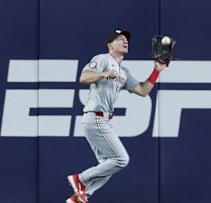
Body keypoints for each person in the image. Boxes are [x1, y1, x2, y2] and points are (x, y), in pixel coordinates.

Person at [65, 28, 169, 203]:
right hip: (95, 117)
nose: (125, 41)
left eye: (126, 39)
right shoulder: (103, 59)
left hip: (102, 119)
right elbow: (83, 77)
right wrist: (104, 73)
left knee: (108, 164)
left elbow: (143, 91)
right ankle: (80, 179)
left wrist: (157, 70)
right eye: (119, 39)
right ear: (110, 45)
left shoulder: (124, 72)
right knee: (121, 159)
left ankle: (78, 198)